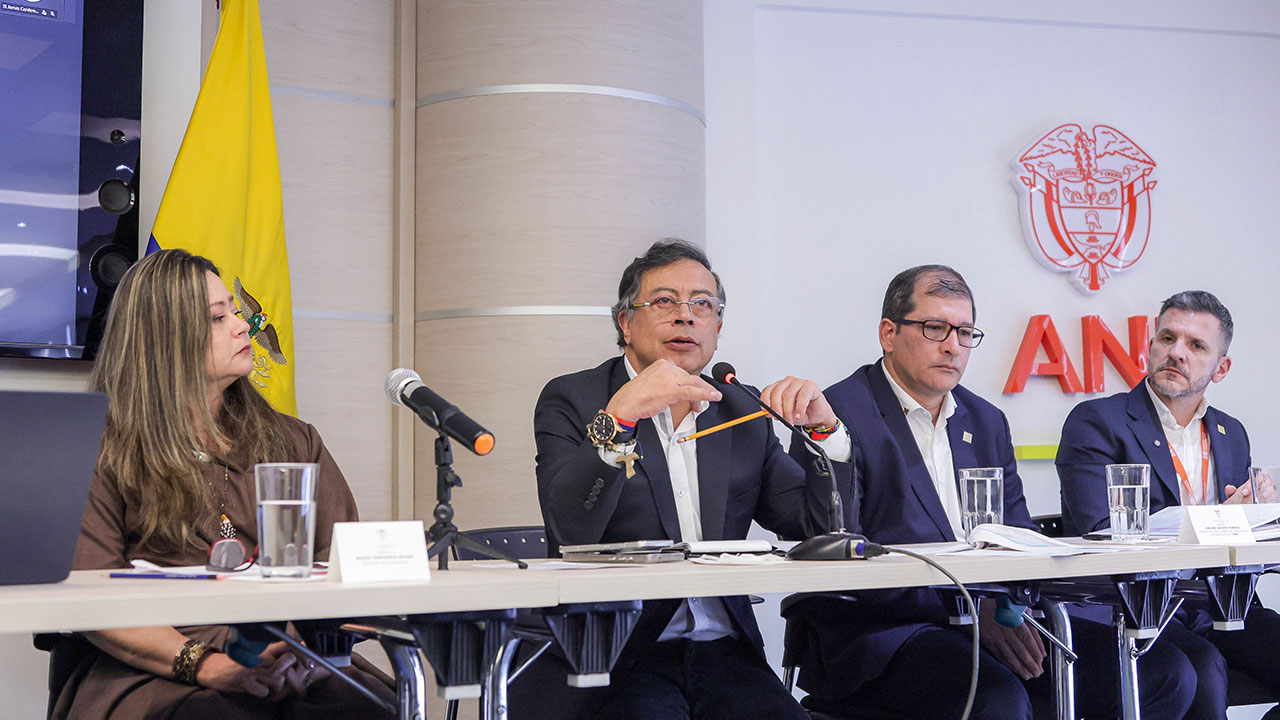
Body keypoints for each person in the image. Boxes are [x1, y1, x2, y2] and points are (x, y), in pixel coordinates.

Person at [787, 265, 1194, 719]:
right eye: (935, 328)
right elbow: (832, 548)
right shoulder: (837, 414)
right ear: (888, 333)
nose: (952, 346)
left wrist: (1002, 608)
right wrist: (970, 607)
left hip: (992, 618)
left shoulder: (985, 421)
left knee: (1164, 672)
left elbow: (1016, 535)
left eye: (964, 333)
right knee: (998, 700)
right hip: (885, 632)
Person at [53, 249, 394, 720]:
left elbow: (340, 565)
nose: (243, 327)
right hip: (156, 666)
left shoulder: (294, 440)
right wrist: (206, 664)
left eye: (235, 312)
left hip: (293, 657)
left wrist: (305, 653)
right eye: (218, 318)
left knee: (370, 709)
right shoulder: (100, 446)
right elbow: (88, 597)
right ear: (165, 338)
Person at [532, 239, 854, 720]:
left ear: (717, 329)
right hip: (618, 656)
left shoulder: (741, 409)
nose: (685, 316)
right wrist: (618, 420)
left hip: (727, 653)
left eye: (702, 304)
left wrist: (826, 434)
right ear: (625, 323)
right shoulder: (574, 399)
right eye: (665, 301)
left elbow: (818, 527)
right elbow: (569, 528)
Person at [1058, 289, 1280, 720]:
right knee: (1201, 668)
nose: (1176, 352)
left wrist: (1258, 517)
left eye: (1196, 345)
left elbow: (1238, 542)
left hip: (1218, 604)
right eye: (1167, 338)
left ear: (1221, 368)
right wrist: (1219, 520)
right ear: (1151, 346)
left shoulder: (1231, 432)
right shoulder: (1097, 421)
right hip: (1135, 607)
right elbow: (1097, 530)